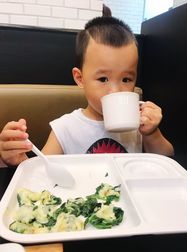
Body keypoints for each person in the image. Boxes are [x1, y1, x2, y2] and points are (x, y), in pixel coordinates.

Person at [0, 16, 174, 166]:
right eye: (103, 79)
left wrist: (152, 134)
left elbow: (167, 159)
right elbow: (45, 171)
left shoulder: (137, 125)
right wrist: (15, 160)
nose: (115, 91)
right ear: (80, 78)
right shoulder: (66, 128)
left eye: (126, 79)